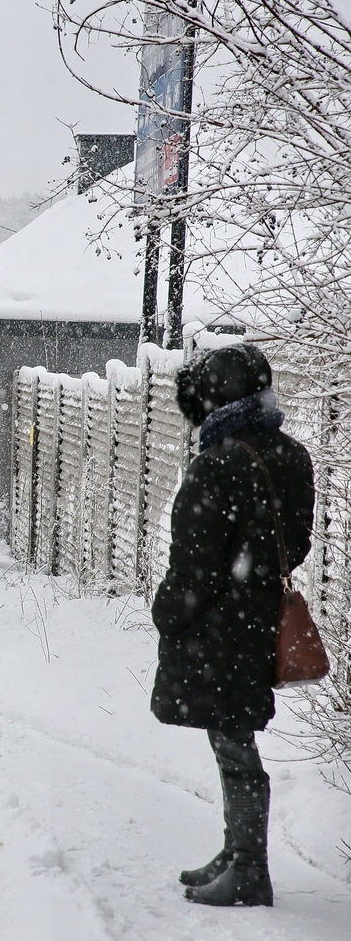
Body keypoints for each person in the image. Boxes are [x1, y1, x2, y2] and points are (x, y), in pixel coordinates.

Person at [151, 342, 315, 907]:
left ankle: (248, 867)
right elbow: (295, 545)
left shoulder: (217, 462)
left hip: (218, 629)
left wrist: (167, 612)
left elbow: (193, 565)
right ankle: (235, 852)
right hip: (258, 617)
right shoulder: (290, 456)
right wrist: (253, 578)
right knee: (231, 736)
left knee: (234, 742)